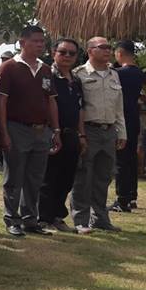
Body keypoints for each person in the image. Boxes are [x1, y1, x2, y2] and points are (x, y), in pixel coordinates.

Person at [0, 25, 61, 237]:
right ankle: (11, 219)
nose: (40, 45)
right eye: (35, 41)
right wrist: (4, 132)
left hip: (41, 130)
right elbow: (1, 102)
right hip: (17, 128)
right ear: (23, 42)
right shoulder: (9, 67)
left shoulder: (45, 69)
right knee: (14, 177)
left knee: (35, 178)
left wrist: (56, 130)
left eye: (42, 41)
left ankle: (30, 219)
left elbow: (51, 101)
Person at [71, 37, 127, 234]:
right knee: (83, 177)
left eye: (109, 47)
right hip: (88, 130)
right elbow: (76, 106)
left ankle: (100, 219)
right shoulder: (78, 74)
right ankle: (81, 220)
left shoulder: (114, 74)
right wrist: (80, 134)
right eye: (102, 47)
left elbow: (118, 107)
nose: (108, 50)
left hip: (109, 131)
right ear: (90, 51)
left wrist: (122, 132)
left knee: (104, 177)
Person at [37, 39, 85, 233]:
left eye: (72, 53)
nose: (67, 56)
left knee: (67, 178)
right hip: (52, 132)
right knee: (49, 177)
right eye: (63, 52)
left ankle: (57, 216)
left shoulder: (76, 80)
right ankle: (43, 218)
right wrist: (54, 130)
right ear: (53, 52)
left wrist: (82, 135)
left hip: (72, 134)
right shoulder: (47, 75)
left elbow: (80, 109)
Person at [111, 41, 144, 212]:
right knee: (131, 159)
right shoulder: (139, 73)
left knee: (121, 161)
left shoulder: (118, 74)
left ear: (120, 53)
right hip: (133, 118)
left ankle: (122, 198)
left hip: (121, 118)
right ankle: (131, 196)